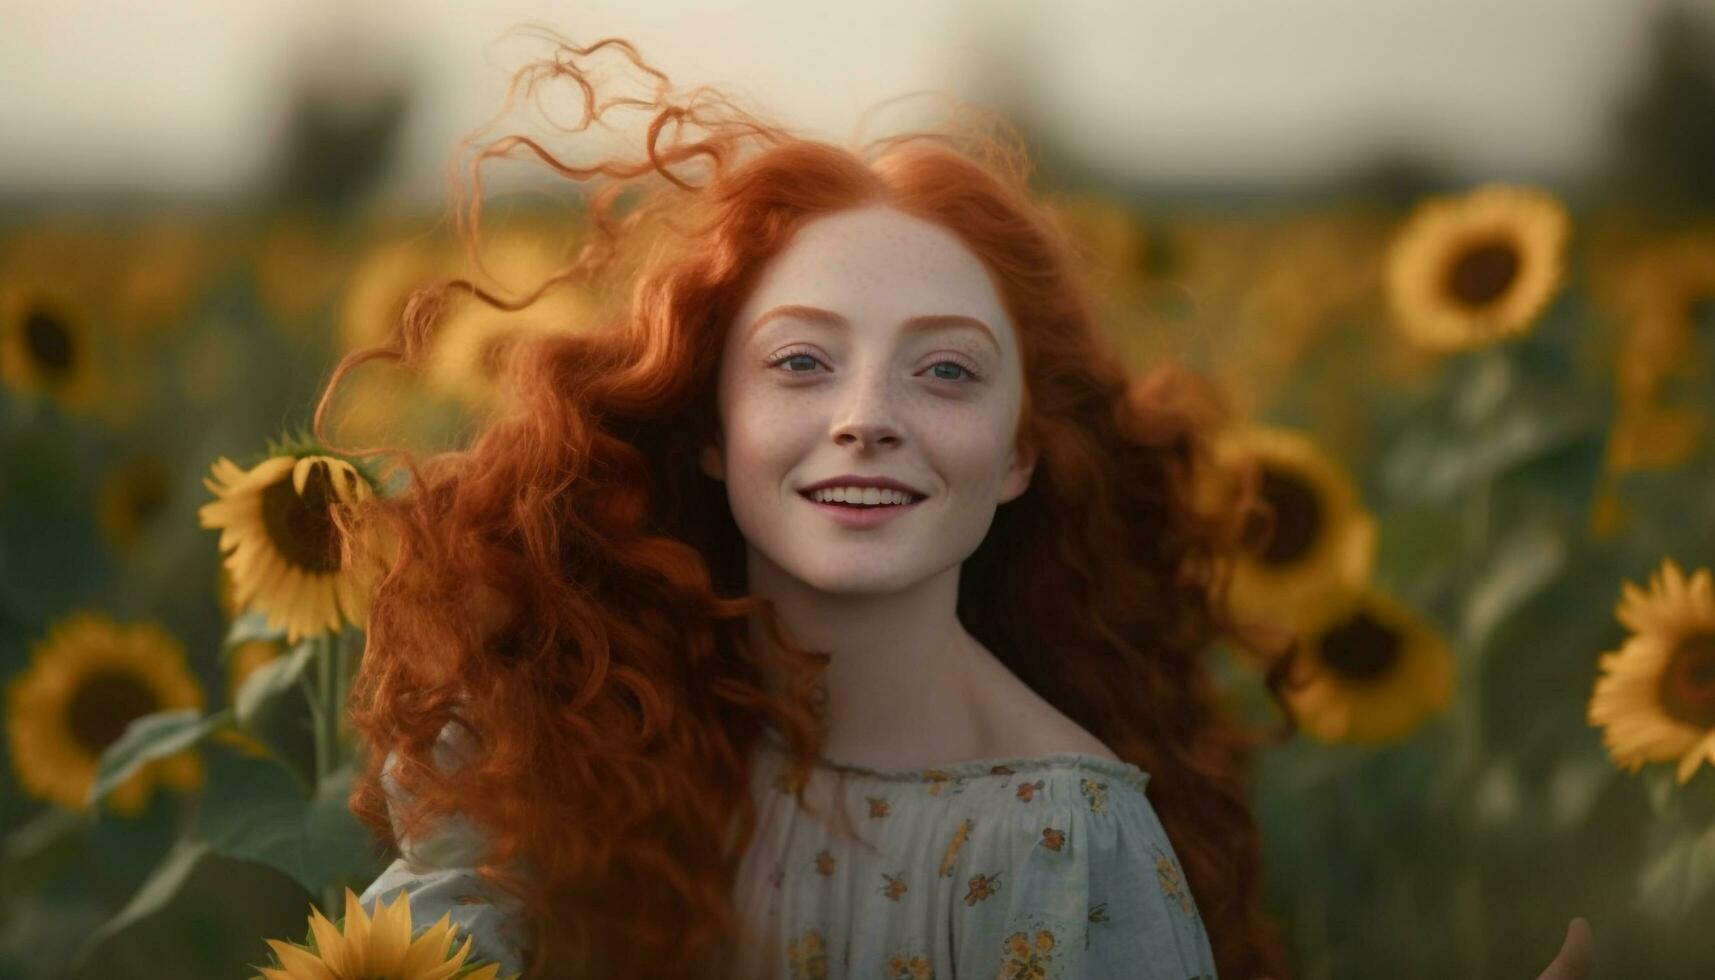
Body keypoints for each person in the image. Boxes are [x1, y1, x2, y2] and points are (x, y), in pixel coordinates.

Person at [322, 32, 1588, 980]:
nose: (866, 415)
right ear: (711, 429)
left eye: (944, 370)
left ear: (1024, 451)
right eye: (801, 361)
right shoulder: (596, 742)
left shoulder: (1061, 837)